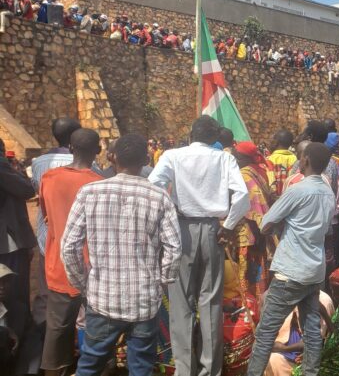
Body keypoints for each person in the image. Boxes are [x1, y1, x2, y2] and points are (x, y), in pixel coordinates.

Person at [60, 134, 182, 376]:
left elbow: (69, 246)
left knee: (90, 364)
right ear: (146, 160)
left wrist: (83, 284)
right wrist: (162, 281)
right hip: (144, 300)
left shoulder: (89, 193)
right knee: (141, 367)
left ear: (112, 158)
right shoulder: (159, 197)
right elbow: (174, 248)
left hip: (102, 298)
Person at [148, 116, 250, 376]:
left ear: (191, 134)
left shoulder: (173, 156)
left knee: (181, 303)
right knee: (210, 302)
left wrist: (169, 212)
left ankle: (185, 371)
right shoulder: (224, 158)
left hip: (181, 228)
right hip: (214, 231)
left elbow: (154, 185)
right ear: (214, 138)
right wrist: (227, 226)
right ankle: (210, 370)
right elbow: (242, 196)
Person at [246, 142, 336, 376]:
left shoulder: (297, 190)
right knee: (312, 330)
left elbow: (265, 223)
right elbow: (325, 229)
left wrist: (281, 226)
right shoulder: (328, 191)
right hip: (314, 270)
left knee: (265, 333)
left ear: (304, 161)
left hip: (291, 271)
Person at [39, 129, 103, 376]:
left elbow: (46, 218)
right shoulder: (98, 184)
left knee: (57, 329)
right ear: (97, 151)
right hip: (93, 269)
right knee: (95, 327)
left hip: (58, 264)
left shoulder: (49, 178)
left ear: (70, 148)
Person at [29, 118, 82, 325]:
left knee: (47, 286)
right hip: (77, 234)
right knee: (76, 286)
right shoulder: (86, 161)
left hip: (48, 234)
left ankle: (44, 328)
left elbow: (38, 192)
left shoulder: (39, 163)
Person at [232, 141, 272, 301]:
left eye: (235, 155)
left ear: (242, 157)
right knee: (258, 273)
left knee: (247, 273)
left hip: (248, 232)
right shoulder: (260, 171)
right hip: (259, 232)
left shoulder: (244, 175)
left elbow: (255, 204)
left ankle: (248, 309)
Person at [0, 138, 36, 313]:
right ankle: (16, 334)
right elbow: (27, 189)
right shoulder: (2, 168)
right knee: (14, 292)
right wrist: (12, 167)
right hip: (8, 244)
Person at [267, 129, 297, 198]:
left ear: (276, 142)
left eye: (272, 140)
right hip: (292, 198)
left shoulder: (269, 160)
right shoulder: (295, 159)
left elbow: (270, 184)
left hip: (275, 201)